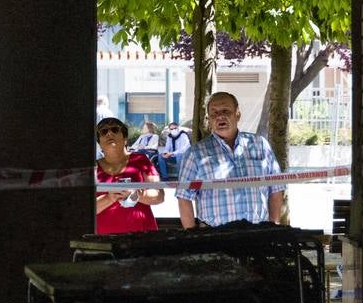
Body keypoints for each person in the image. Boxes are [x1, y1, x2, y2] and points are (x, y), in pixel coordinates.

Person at [176, 91, 285, 228]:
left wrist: (273, 226)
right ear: (208, 119)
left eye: (226, 111)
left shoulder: (260, 145)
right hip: (214, 237)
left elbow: (276, 188)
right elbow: (184, 196)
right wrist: (192, 235)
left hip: (257, 235)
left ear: (237, 114)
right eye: (214, 113)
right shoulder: (195, 153)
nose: (220, 116)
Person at [95, 117, 164, 233]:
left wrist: (135, 194)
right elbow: (85, 210)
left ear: (125, 138)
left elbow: (159, 196)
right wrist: (110, 197)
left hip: (142, 237)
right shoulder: (93, 168)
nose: (109, 133)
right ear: (99, 143)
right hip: (104, 241)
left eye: (115, 129)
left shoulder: (141, 160)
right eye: (103, 131)